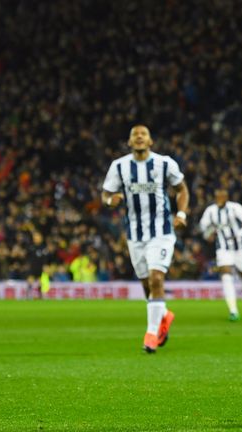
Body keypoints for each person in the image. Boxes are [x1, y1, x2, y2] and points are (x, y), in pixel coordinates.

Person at [102, 125, 190, 353]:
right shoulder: (119, 166)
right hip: (135, 235)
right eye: (135, 135)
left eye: (144, 134)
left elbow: (182, 189)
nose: (139, 137)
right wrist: (110, 201)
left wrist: (181, 214)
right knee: (146, 285)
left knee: (156, 278)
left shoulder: (164, 163)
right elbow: (106, 194)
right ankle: (163, 315)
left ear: (150, 141)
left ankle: (150, 335)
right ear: (130, 142)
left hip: (161, 232)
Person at [200, 188, 242, 321]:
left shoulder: (235, 208)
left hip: (239, 248)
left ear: (226, 197)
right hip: (223, 249)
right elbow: (203, 226)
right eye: (217, 196)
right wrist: (207, 233)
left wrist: (239, 234)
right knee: (226, 274)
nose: (219, 199)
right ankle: (233, 311)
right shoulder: (211, 211)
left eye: (222, 196)